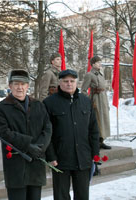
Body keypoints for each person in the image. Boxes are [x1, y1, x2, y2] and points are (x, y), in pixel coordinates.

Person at [0, 69, 52, 200]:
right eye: (16, 84)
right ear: (10, 86)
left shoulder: (38, 105)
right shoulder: (2, 107)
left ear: (27, 86)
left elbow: (47, 128)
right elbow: (4, 132)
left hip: (35, 163)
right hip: (16, 166)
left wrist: (39, 147)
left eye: (23, 84)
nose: (20, 87)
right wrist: (28, 145)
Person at [43, 69, 100, 200]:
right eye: (65, 81)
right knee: (61, 196)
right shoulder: (49, 103)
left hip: (83, 157)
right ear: (59, 82)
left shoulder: (86, 102)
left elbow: (94, 130)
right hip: (60, 159)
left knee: (82, 195)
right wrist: (51, 156)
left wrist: (95, 154)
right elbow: (46, 133)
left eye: (72, 81)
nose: (69, 84)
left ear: (77, 82)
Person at [81, 56, 111, 149]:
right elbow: (83, 90)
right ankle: (96, 141)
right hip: (95, 99)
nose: (100, 64)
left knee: (104, 120)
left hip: (103, 99)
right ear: (93, 64)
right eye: (98, 62)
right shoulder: (89, 75)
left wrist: (107, 102)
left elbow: (104, 89)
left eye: (100, 62)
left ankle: (102, 140)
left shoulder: (101, 74)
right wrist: (88, 102)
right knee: (97, 120)